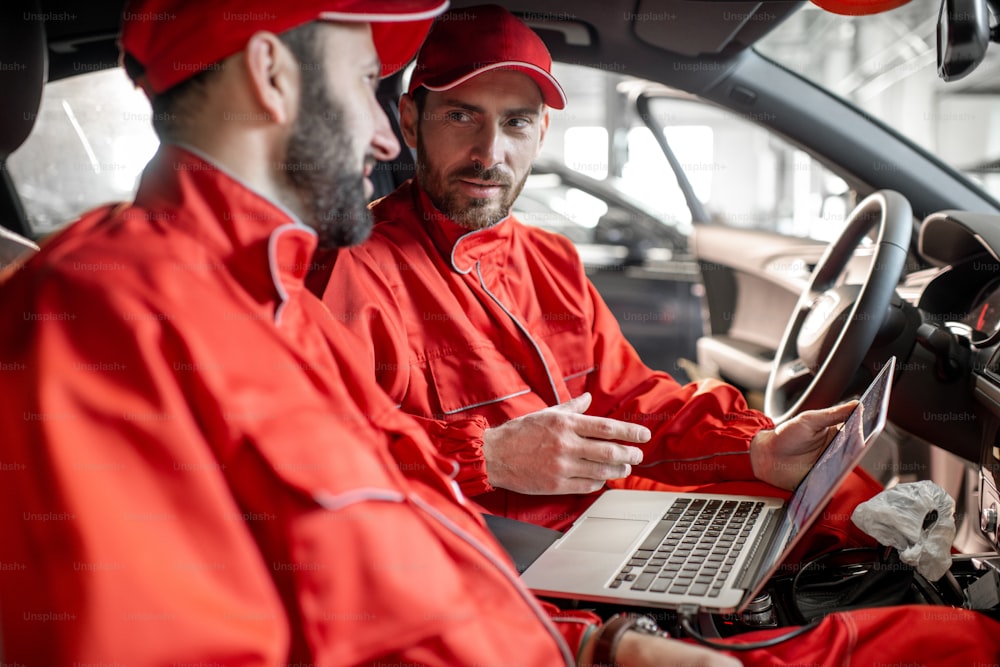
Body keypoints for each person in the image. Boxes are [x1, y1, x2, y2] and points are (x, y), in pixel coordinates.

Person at [2, 1, 999, 665]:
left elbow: (404, 545)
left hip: (553, 621)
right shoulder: (102, 321)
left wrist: (603, 643)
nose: (386, 136)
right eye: (367, 83)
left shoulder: (267, 305)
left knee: (936, 632)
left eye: (517, 123)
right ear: (272, 74)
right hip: (548, 604)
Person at [321, 2, 880, 566]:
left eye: (514, 121)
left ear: (541, 130)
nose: (490, 153)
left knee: (838, 502)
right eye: (461, 117)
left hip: (599, 519)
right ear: (412, 120)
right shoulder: (352, 270)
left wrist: (756, 449)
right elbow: (316, 451)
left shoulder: (553, 260)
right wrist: (486, 457)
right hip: (488, 558)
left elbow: (628, 403)